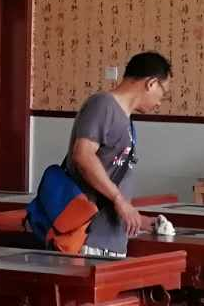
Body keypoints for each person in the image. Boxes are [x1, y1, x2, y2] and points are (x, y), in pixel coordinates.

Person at [62, 51, 172, 257]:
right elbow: (83, 155)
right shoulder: (103, 104)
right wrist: (120, 200)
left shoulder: (125, 117)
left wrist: (139, 220)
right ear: (151, 83)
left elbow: (112, 176)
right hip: (89, 238)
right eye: (163, 92)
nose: (160, 102)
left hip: (110, 238)